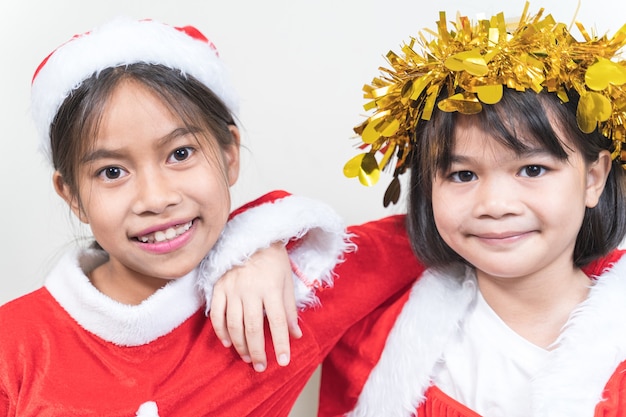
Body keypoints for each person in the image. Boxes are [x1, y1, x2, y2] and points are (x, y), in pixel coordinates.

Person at [0, 17, 422, 416]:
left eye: (180, 154)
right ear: (71, 194)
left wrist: (262, 238)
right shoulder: (13, 344)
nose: (156, 198)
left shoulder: (290, 296)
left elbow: (440, 232)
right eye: (112, 172)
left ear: (229, 154)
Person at [316, 5, 626, 417]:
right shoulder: (373, 336)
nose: (495, 206)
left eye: (532, 169)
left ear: (593, 179)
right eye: (462, 175)